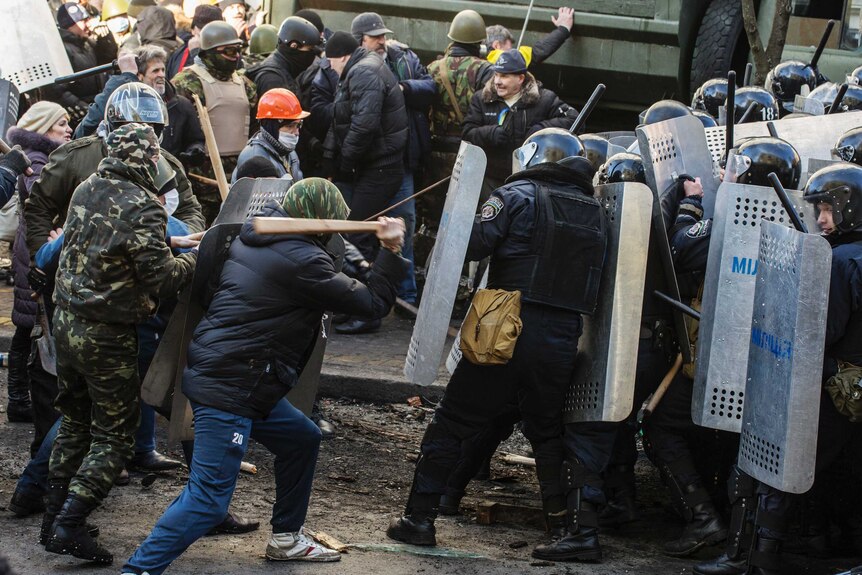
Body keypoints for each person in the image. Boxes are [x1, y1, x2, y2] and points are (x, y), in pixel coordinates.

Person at [122, 178, 408, 574]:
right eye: (331, 224)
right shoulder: (304, 261)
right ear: (315, 221)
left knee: (301, 439)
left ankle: (287, 539)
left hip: (242, 375)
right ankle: (137, 570)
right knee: (207, 500)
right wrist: (391, 250)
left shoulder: (253, 238)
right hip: (233, 384)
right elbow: (372, 304)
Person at [387, 128, 608, 562]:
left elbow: (469, 245)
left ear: (532, 156)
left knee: (453, 423)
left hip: (505, 327)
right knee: (547, 432)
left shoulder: (517, 196)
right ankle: (569, 530)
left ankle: (420, 518)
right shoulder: (596, 210)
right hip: (563, 335)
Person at [42, 124, 198, 565]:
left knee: (74, 423)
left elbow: (106, 241)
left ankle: (52, 516)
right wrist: (194, 256)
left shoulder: (88, 186)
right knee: (114, 435)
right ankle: (70, 525)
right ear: (150, 159)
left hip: (67, 323)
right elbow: (162, 279)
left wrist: (168, 243)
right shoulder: (145, 204)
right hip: (107, 335)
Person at [696, 163, 862, 575]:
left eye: (828, 209)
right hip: (850, 389)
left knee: (773, 467)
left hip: (832, 384)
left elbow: (819, 332)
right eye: (819, 208)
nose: (821, 218)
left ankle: (757, 558)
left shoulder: (839, 260)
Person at [341, 12, 433, 324]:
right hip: (369, 165)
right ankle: (365, 296)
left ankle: (405, 297)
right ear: (359, 41)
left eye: (383, 35)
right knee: (361, 229)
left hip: (402, 161)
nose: (382, 41)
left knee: (402, 224)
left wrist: (402, 88)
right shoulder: (353, 66)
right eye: (375, 36)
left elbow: (429, 88)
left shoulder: (404, 58)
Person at [4, 103, 71, 434]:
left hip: (33, 246)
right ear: (44, 128)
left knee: (24, 325)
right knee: (28, 325)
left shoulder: (45, 156)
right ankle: (19, 400)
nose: (68, 129)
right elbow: (40, 193)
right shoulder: (37, 159)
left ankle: (18, 399)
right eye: (61, 124)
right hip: (35, 250)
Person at [321, 31, 408, 264]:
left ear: (341, 57)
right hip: (376, 166)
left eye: (330, 61)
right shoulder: (363, 67)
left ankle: (364, 287)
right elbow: (341, 118)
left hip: (380, 168)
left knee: (357, 232)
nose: (329, 67)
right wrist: (330, 157)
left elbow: (364, 125)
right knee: (363, 230)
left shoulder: (362, 72)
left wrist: (345, 163)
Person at [172, 20, 257, 223]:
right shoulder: (186, 82)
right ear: (209, 51)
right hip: (200, 180)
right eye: (229, 51)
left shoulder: (245, 85)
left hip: (238, 176)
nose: (236, 56)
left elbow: (255, 128)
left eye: (238, 50)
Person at [462, 48, 578, 196]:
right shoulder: (481, 99)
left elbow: (573, 118)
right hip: (490, 179)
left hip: (529, 183)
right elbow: (467, 132)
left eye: (504, 76)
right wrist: (490, 133)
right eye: (496, 75)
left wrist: (540, 131)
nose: (497, 81)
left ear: (521, 78)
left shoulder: (544, 99)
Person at [75, 46, 206, 170]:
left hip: (171, 177)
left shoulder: (181, 105)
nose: (161, 75)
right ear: (140, 76)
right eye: (155, 70)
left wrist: (194, 150)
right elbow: (87, 128)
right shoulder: (125, 108)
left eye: (163, 69)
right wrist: (126, 76)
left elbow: (195, 139)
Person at [43, 3, 118, 127]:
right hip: (81, 115)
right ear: (70, 25)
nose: (88, 24)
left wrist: (105, 37)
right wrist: (84, 110)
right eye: (83, 21)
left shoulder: (86, 44)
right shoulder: (61, 49)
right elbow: (58, 90)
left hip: (94, 106)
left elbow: (107, 59)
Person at [232, 88, 306, 183]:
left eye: (298, 125)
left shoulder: (289, 152)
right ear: (271, 127)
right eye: (289, 126)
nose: (296, 132)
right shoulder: (253, 156)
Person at [246, 16, 321, 99]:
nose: (312, 54)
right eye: (309, 49)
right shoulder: (273, 79)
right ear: (294, 46)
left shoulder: (284, 70)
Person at [485, 7, 575, 67]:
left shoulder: (476, 60)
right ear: (497, 45)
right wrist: (563, 29)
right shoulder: (496, 58)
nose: (512, 53)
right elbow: (535, 53)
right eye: (509, 50)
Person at [165, 4, 223, 79]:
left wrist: (195, 53)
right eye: (202, 29)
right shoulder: (179, 53)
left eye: (212, 29)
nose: (206, 33)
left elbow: (215, 79)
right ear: (193, 30)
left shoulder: (227, 52)